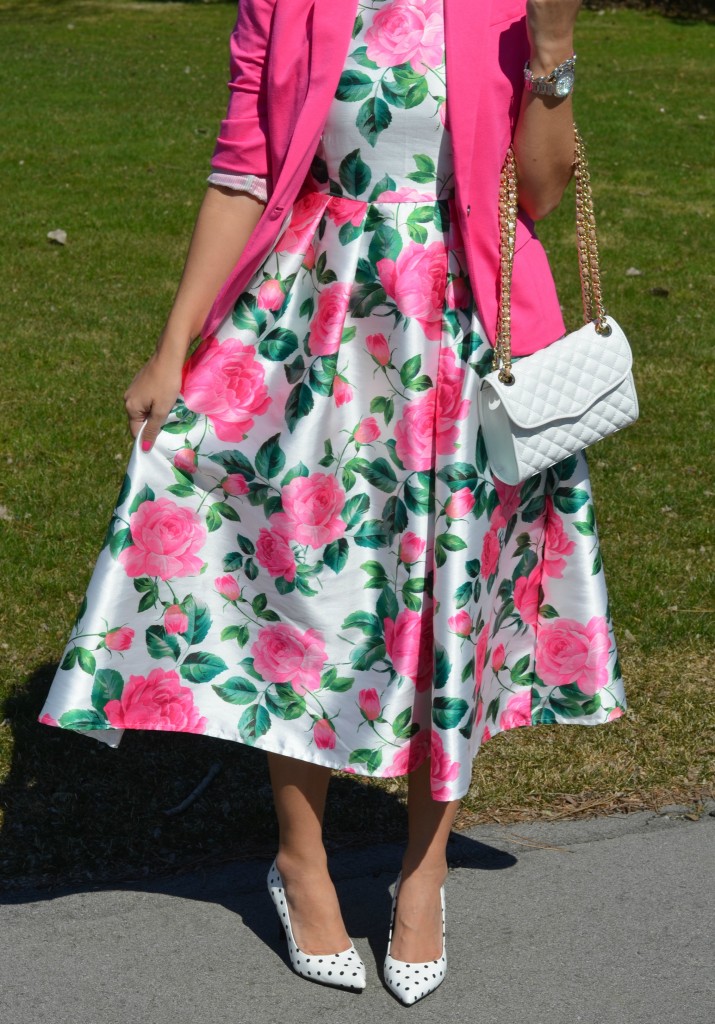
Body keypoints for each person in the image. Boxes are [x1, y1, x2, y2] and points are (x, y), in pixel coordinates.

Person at [39, 0, 626, 1006]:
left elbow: (534, 191)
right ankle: (302, 864)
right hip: (317, 324)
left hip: (463, 339)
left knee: (453, 597)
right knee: (299, 588)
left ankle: (422, 876)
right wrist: (175, 345)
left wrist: (553, 50)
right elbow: (240, 176)